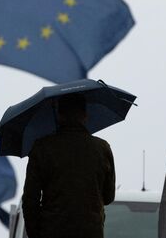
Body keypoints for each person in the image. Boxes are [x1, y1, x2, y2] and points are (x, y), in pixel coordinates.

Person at [22, 93, 116, 238]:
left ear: (59, 116)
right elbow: (108, 196)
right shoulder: (102, 148)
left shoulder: (42, 148)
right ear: (85, 116)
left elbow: (30, 201)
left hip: (52, 231)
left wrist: (36, 233)